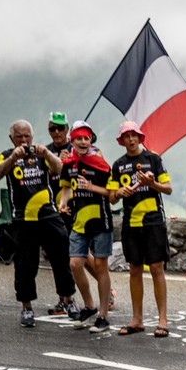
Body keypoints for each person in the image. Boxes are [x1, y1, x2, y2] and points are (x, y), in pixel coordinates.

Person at [0, 119, 75, 328]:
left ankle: (68, 300)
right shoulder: (6, 155)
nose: (23, 140)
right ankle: (26, 308)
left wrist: (47, 154)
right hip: (23, 218)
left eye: (27, 135)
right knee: (25, 265)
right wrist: (13, 157)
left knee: (61, 258)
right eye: (19, 136)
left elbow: (59, 170)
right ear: (12, 138)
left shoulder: (41, 153)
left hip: (48, 215)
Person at [107, 121, 173, 337]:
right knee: (134, 269)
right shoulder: (118, 165)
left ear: (140, 137)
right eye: (127, 136)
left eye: (134, 135)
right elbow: (111, 196)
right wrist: (119, 193)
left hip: (154, 221)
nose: (131, 139)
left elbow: (168, 188)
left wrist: (152, 184)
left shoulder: (153, 159)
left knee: (156, 268)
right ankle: (137, 319)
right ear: (121, 140)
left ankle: (162, 320)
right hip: (131, 223)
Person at [57, 121, 114, 334]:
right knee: (74, 264)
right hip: (79, 222)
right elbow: (66, 187)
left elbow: (112, 193)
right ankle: (89, 306)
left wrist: (91, 187)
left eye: (86, 138)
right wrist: (63, 203)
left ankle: (103, 315)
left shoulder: (100, 164)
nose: (82, 142)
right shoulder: (68, 164)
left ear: (91, 141)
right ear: (72, 140)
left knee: (101, 267)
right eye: (79, 138)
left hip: (101, 221)